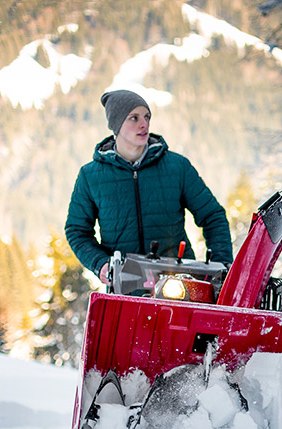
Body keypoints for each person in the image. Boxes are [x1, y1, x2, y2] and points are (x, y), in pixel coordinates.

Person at [65, 89, 233, 285]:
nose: (144, 124)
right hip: (125, 291)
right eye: (134, 118)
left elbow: (213, 216)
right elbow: (76, 230)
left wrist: (220, 266)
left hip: (179, 287)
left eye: (146, 117)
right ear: (116, 124)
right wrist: (100, 263)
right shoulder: (90, 176)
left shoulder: (177, 167)